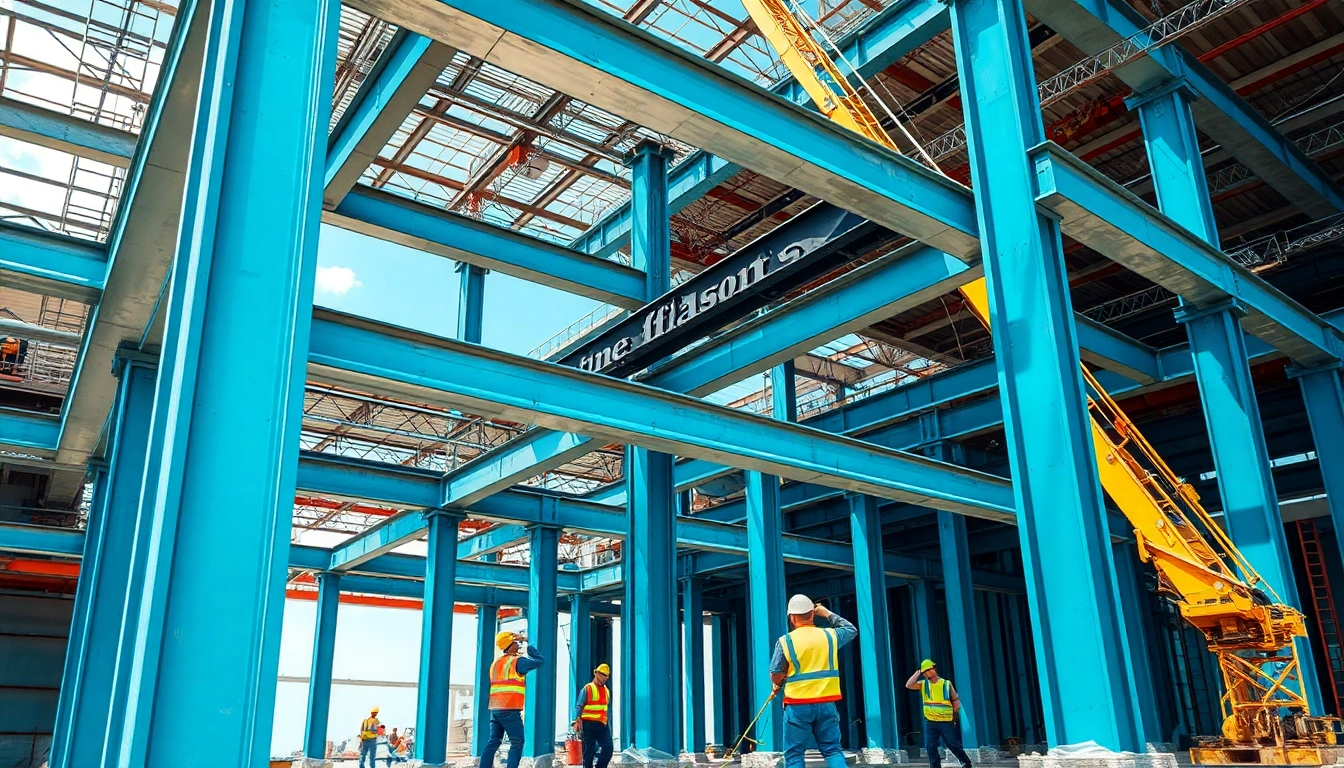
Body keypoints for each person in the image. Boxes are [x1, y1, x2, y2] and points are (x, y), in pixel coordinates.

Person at [768, 594, 858, 768]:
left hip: (797, 706)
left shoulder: (785, 641)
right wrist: (827, 613)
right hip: (826, 703)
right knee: (832, 750)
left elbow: (775, 673)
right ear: (812, 614)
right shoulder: (830, 636)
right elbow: (850, 629)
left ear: (792, 618)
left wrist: (779, 683)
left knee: (794, 754)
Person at [479, 630, 547, 768]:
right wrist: (528, 642)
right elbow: (540, 661)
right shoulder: (517, 661)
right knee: (517, 741)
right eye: (516, 642)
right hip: (509, 708)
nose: (518, 644)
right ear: (509, 644)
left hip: (495, 708)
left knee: (494, 740)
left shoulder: (496, 663)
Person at [905, 660, 973, 768]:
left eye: (928, 670)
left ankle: (966, 762)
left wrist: (954, 717)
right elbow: (908, 685)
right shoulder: (924, 684)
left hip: (945, 722)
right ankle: (935, 766)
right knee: (930, 746)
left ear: (934, 669)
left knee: (952, 744)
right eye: (924, 672)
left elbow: (955, 700)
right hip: (931, 722)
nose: (926, 673)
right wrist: (918, 672)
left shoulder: (946, 684)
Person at [572, 663, 614, 768]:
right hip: (588, 724)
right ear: (596, 674)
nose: (606, 677)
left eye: (607, 675)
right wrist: (576, 722)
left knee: (608, 747)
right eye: (603, 674)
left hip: (602, 724)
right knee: (588, 753)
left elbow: (605, 709)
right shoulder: (588, 688)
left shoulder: (606, 690)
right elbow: (579, 705)